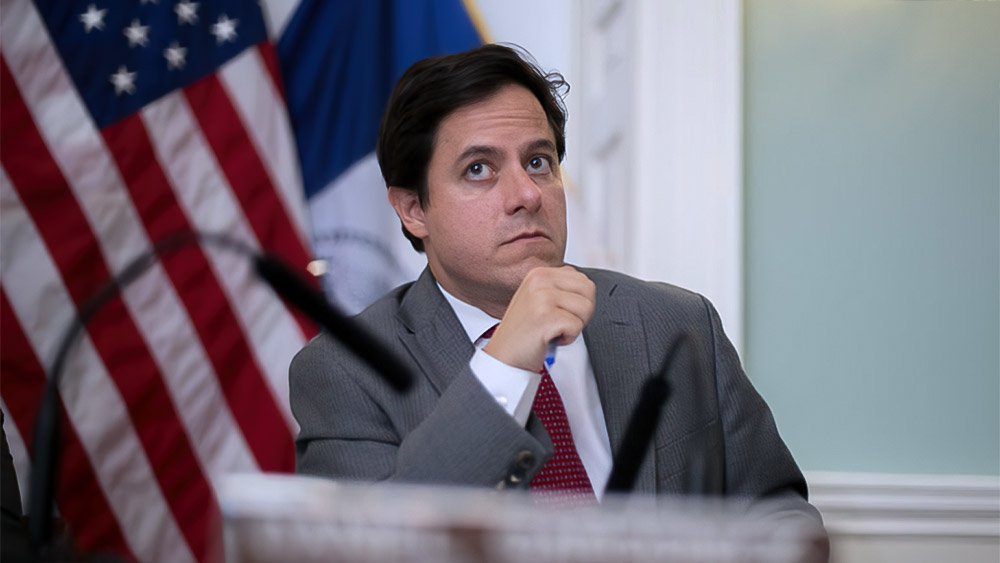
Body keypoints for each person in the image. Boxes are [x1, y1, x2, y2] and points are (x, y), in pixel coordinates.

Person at [290, 44, 823, 526]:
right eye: (479, 169)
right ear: (413, 210)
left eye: (538, 162)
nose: (527, 194)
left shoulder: (677, 324)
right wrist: (503, 367)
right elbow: (376, 545)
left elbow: (778, 514)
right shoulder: (344, 369)